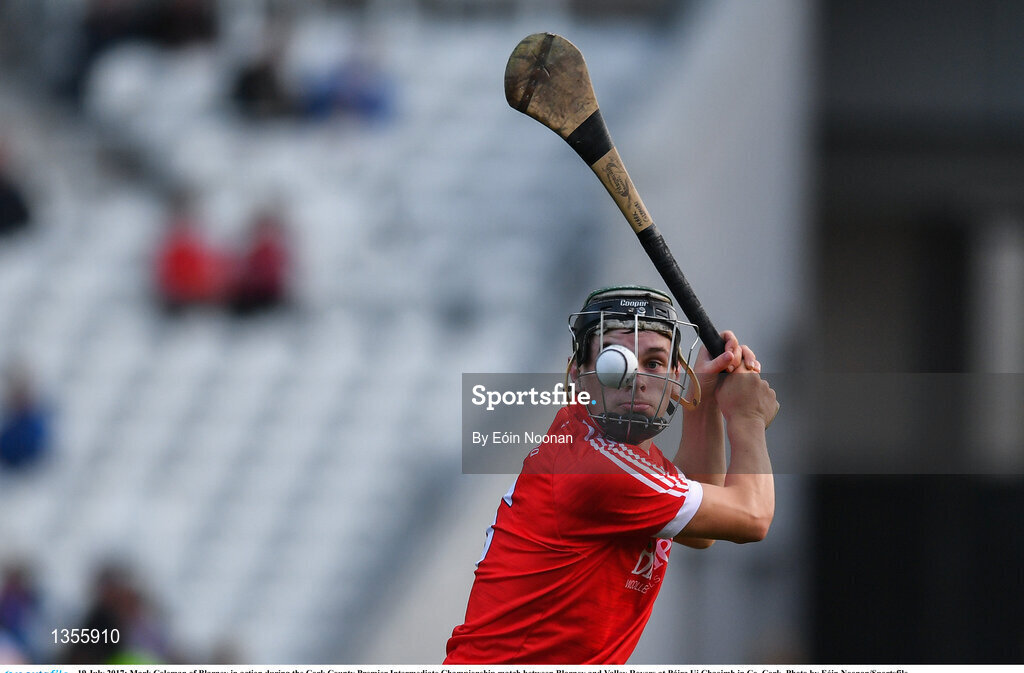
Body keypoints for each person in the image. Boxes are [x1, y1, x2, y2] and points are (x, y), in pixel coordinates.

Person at [445, 286, 779, 664]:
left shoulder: (614, 452)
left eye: (653, 363)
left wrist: (704, 398)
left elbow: (701, 530)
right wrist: (748, 417)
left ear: (677, 376)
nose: (634, 378)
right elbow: (751, 516)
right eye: (614, 361)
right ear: (578, 374)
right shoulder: (599, 470)